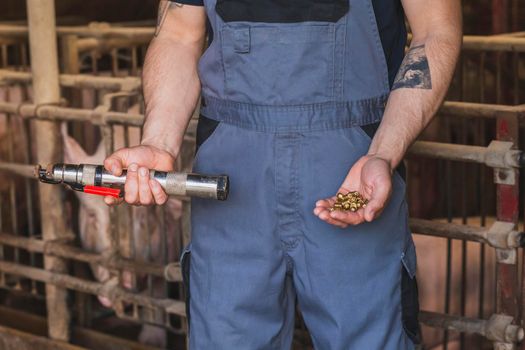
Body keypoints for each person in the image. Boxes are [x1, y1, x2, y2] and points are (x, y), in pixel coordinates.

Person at [104, 0, 462, 348]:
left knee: (364, 336)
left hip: (351, 177)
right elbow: (179, 34)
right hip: (231, 179)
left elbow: (436, 30)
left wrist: (383, 153)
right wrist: (159, 141)